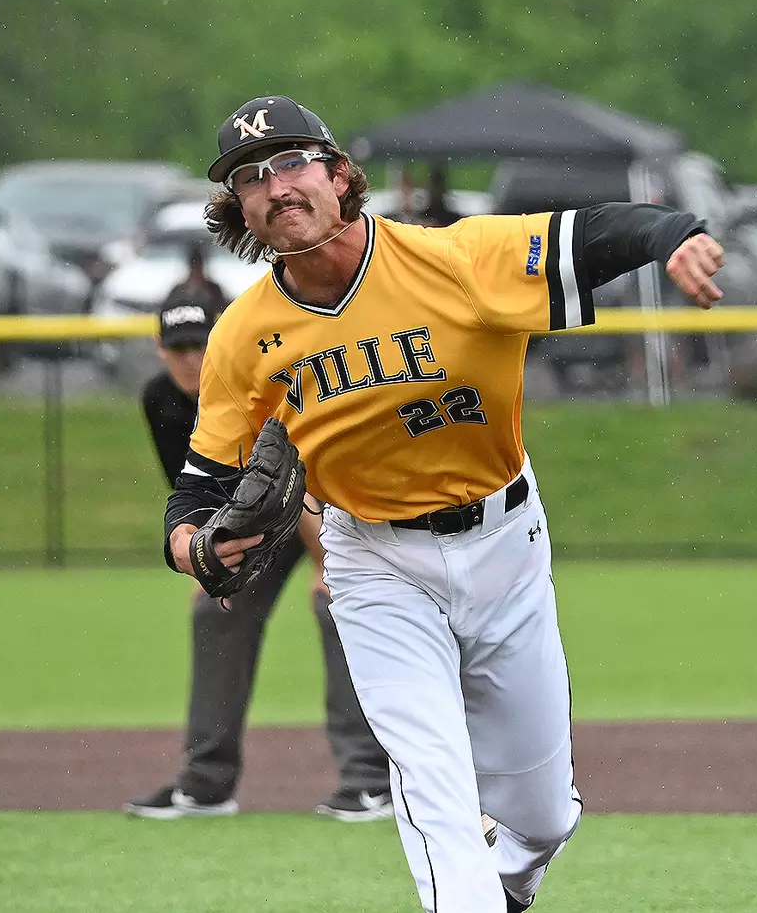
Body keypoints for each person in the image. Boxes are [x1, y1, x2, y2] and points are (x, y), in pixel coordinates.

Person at [161, 95, 725, 913]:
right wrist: (195, 546)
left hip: (505, 543)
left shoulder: (456, 258)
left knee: (541, 816)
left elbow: (595, 231)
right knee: (433, 782)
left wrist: (674, 235)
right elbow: (198, 494)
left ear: (339, 175)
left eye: (291, 162)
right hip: (377, 563)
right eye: (250, 177)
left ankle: (510, 886)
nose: (275, 185)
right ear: (237, 207)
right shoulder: (244, 336)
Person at [125, 283, 392, 821]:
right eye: (178, 348)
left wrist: (326, 562)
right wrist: (209, 561)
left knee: (335, 607)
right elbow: (196, 490)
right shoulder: (162, 400)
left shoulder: (270, 375)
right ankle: (205, 784)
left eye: (202, 345)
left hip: (326, 501)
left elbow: (316, 471)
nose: (191, 360)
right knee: (214, 612)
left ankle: (369, 781)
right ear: (160, 350)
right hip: (253, 518)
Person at [177, 243, 229, 314]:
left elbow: (222, 311)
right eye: (195, 268)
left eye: (198, 267)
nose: (197, 272)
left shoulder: (213, 289)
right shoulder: (178, 290)